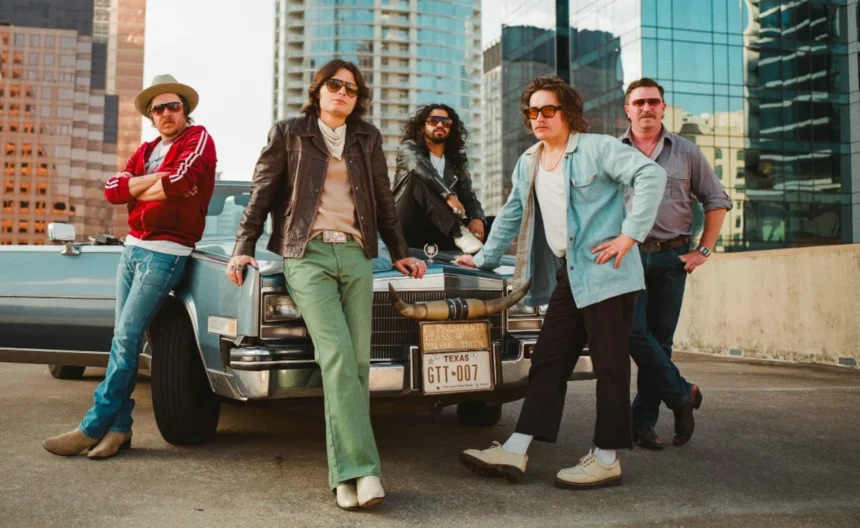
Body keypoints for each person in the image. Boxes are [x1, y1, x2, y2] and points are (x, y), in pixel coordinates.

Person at [226, 59, 426, 510]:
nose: (342, 93)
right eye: (334, 85)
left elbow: (382, 200)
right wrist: (244, 245)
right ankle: (362, 470)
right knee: (335, 354)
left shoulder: (367, 137)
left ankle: (345, 480)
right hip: (307, 254)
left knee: (357, 363)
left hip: (356, 256)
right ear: (318, 90)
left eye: (351, 89)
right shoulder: (290, 132)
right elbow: (262, 193)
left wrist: (399, 251)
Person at [456, 76, 665, 490]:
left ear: (567, 111)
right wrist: (482, 257)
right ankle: (516, 448)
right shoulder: (529, 161)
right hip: (569, 275)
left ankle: (606, 457)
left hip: (608, 273)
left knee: (610, 366)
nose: (538, 118)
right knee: (549, 360)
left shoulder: (597, 148)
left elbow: (651, 176)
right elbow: (511, 215)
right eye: (532, 111)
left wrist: (630, 235)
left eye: (547, 110)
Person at [42, 74, 217, 459]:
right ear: (151, 116)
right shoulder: (146, 149)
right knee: (123, 338)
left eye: (174, 106)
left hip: (166, 252)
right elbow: (112, 191)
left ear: (184, 110)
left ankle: (91, 426)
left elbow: (181, 180)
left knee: (125, 338)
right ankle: (120, 429)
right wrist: (153, 182)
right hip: (132, 249)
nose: (167, 112)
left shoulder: (198, 138)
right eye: (159, 108)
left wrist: (141, 186)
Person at [621, 78, 730, 449]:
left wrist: (704, 250)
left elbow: (716, 200)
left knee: (660, 343)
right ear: (628, 110)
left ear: (663, 108)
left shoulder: (686, 152)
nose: (647, 108)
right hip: (629, 256)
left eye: (653, 102)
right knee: (633, 333)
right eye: (639, 103)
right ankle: (682, 394)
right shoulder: (612, 152)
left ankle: (643, 425)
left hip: (672, 257)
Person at [393, 104, 486, 254]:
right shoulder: (408, 148)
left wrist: (477, 218)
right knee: (417, 176)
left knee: (494, 222)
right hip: (407, 225)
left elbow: (468, 195)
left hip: (440, 226)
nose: (440, 125)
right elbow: (420, 166)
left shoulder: (455, 162)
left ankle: (487, 258)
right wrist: (448, 195)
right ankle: (458, 232)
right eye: (433, 121)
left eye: (446, 122)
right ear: (422, 125)